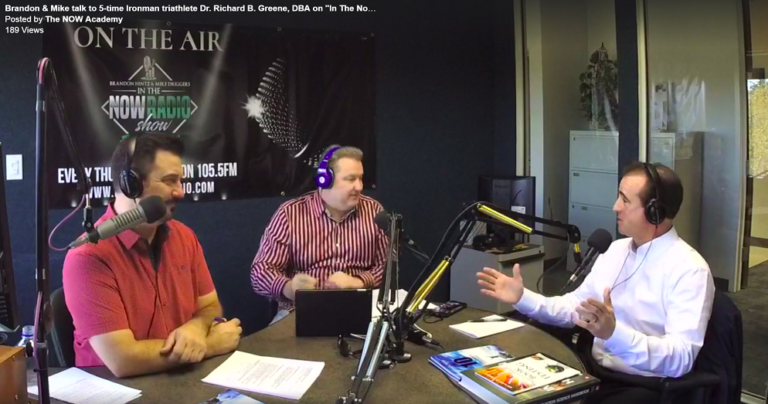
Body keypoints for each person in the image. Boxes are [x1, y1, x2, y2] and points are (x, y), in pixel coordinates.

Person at [476, 162, 715, 404]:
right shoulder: (616, 250)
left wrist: (613, 333)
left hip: (642, 386)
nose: (615, 207)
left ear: (655, 212)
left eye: (625, 200)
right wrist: (523, 298)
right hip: (593, 370)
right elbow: (575, 307)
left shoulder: (690, 269)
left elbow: (680, 359)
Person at [62, 132, 242, 378]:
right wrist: (210, 345)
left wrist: (196, 328)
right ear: (131, 184)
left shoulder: (184, 237)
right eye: (170, 181)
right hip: (117, 390)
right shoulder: (88, 258)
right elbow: (123, 359)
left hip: (179, 381)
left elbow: (210, 305)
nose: (180, 192)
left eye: (180, 181)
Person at [250, 145, 388, 324]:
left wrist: (359, 282)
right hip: (299, 311)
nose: (359, 186)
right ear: (325, 179)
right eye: (351, 179)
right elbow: (260, 271)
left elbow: (388, 267)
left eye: (360, 178)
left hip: (357, 310)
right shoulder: (290, 214)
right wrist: (289, 287)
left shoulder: (374, 211)